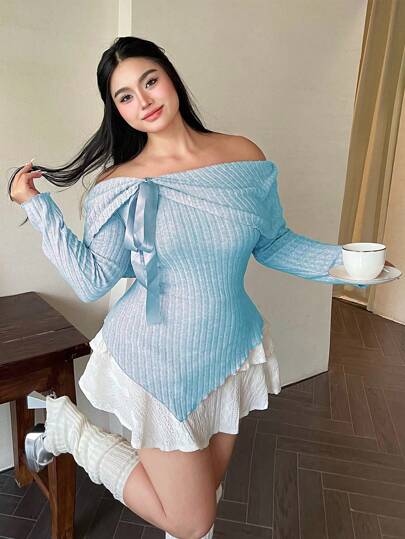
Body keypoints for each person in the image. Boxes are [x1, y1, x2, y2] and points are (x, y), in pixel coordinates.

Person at [8, 36, 379, 539]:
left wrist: (350, 265)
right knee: (190, 518)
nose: (144, 101)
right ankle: (67, 430)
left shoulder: (243, 157)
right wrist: (38, 207)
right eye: (125, 96)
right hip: (156, 359)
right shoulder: (119, 186)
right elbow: (92, 279)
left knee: (205, 494)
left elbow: (274, 242)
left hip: (229, 350)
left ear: (171, 78)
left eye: (150, 81)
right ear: (117, 110)